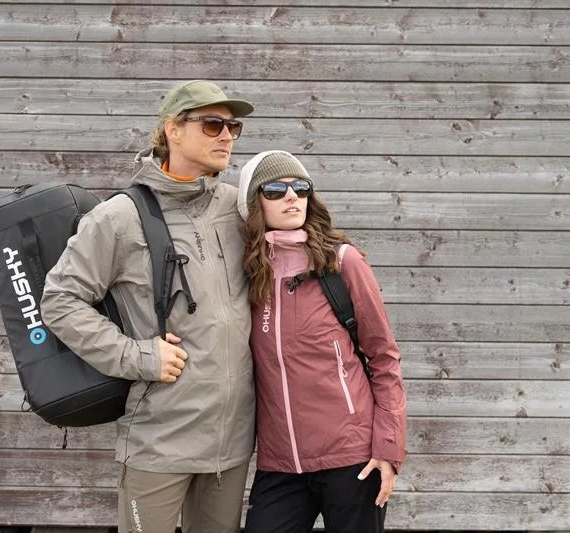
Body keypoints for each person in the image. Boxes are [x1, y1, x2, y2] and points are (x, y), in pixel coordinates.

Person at [40, 80, 256, 533]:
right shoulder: (119, 217)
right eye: (212, 124)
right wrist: (138, 356)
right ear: (172, 130)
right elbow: (60, 300)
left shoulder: (237, 208)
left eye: (232, 127)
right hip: (159, 440)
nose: (226, 136)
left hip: (231, 444)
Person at [236, 150, 408, 533]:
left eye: (301, 188)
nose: (291, 196)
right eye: (275, 189)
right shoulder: (245, 272)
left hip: (352, 458)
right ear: (252, 203)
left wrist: (388, 448)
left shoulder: (340, 262)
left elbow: (384, 358)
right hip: (280, 462)